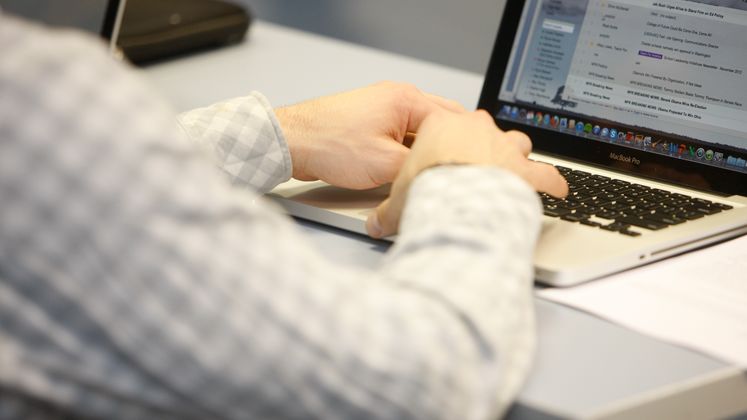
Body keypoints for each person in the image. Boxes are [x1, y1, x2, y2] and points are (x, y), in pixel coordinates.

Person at [0, 12, 567, 420]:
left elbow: (80, 169)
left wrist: (285, 134)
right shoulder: (36, 89)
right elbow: (421, 389)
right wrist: (471, 181)